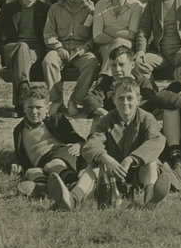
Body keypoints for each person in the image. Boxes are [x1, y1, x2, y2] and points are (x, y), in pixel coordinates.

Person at [53, 77, 170, 211]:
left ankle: (151, 197)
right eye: (120, 98)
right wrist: (105, 158)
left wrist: (132, 159)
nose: (125, 103)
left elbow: (156, 141)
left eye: (130, 98)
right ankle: (72, 199)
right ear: (113, 99)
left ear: (138, 100)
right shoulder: (106, 120)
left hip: (138, 172)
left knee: (151, 162)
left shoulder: (146, 118)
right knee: (94, 167)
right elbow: (91, 145)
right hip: (112, 174)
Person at [0, 0, 51, 116]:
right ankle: (24, 94)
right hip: (12, 47)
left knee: (23, 50)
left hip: (35, 51)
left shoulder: (45, 9)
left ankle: (21, 101)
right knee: (22, 46)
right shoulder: (9, 8)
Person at [11, 85, 85, 200]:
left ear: (47, 108)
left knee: (52, 165)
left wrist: (79, 145)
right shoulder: (19, 131)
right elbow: (20, 154)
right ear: (24, 108)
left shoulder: (55, 120)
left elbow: (77, 139)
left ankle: (73, 185)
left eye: (38, 107)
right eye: (30, 107)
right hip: (40, 163)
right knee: (31, 172)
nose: (34, 112)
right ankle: (44, 190)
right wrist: (18, 165)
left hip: (60, 154)